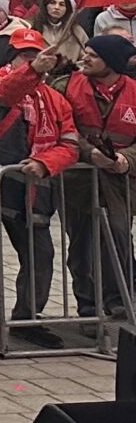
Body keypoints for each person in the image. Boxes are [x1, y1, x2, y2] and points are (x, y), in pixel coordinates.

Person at [0, 27, 77, 347]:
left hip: (31, 190)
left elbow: (69, 144)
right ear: (11, 57)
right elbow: (4, 93)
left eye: (35, 54)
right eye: (25, 55)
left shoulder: (54, 99)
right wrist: (33, 70)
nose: (32, 60)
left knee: (41, 254)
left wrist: (45, 163)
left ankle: (27, 318)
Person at [61, 33, 136, 321]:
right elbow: (63, 127)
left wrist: (125, 161)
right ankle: (88, 305)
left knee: (118, 237)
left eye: (93, 54)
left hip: (119, 182)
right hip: (79, 181)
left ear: (113, 63)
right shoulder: (69, 86)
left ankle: (118, 300)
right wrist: (88, 152)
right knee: (81, 245)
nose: (85, 58)